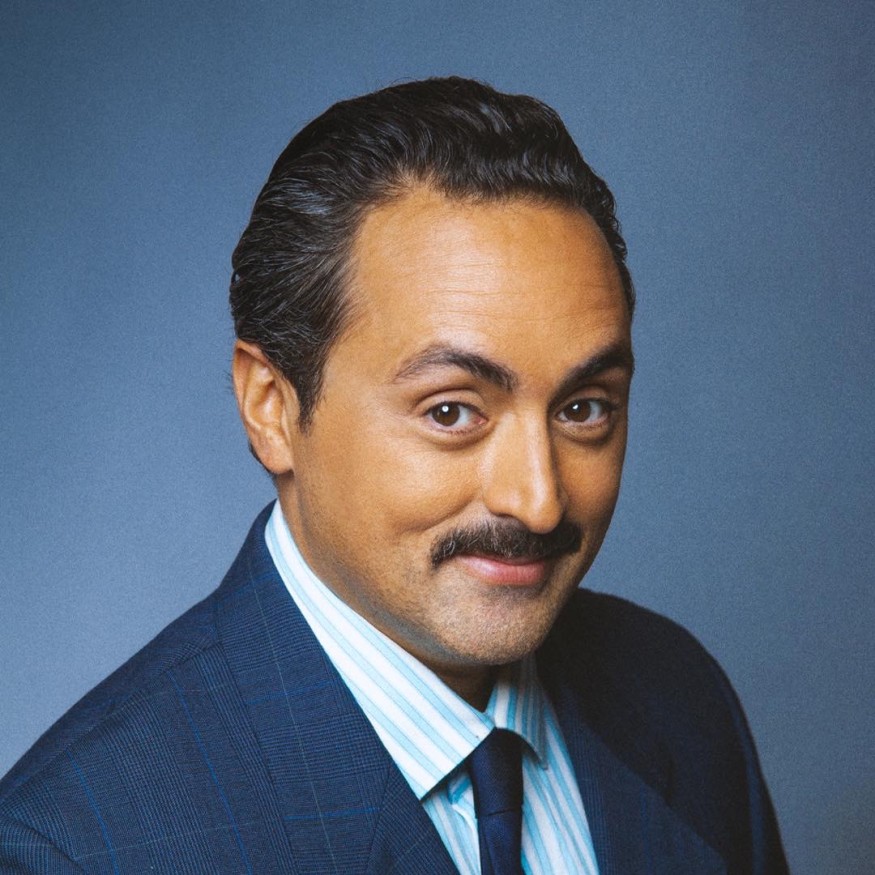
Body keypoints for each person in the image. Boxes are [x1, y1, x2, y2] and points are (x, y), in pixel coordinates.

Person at [0, 77, 788, 874]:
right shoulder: (74, 848)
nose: (538, 500)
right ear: (271, 407)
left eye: (582, 409)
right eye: (451, 411)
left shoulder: (677, 698)